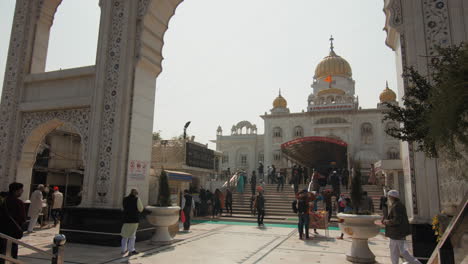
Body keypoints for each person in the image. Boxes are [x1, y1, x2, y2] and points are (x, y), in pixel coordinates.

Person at [383, 190, 422, 264]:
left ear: (392, 197)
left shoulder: (397, 206)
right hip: (397, 233)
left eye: (389, 196)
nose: (388, 198)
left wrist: (387, 222)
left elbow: (397, 220)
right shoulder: (397, 205)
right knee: (395, 251)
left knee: (402, 251)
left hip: (397, 232)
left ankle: (417, 263)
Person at [0, 182, 26, 262]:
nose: (22, 191)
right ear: (16, 191)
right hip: (13, 232)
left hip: (2, 231)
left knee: (2, 252)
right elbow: (22, 218)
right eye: (21, 190)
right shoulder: (19, 203)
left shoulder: (3, 200)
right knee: (12, 254)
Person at [120, 189, 143, 256]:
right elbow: (141, 209)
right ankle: (131, 250)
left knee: (125, 235)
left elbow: (123, 208)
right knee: (132, 236)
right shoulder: (137, 199)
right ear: (136, 193)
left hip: (126, 219)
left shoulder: (125, 199)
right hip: (134, 219)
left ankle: (123, 250)